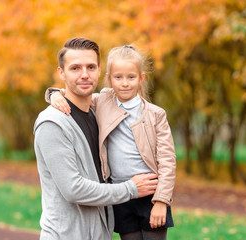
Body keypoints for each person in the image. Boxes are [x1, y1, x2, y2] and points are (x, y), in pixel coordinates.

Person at [46, 45, 176, 240]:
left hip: (151, 193)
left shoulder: (155, 114)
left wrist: (162, 201)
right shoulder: (103, 101)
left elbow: (167, 161)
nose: (125, 83)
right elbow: (74, 97)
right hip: (120, 193)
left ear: (141, 78)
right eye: (118, 77)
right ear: (108, 78)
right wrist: (54, 94)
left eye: (131, 77)